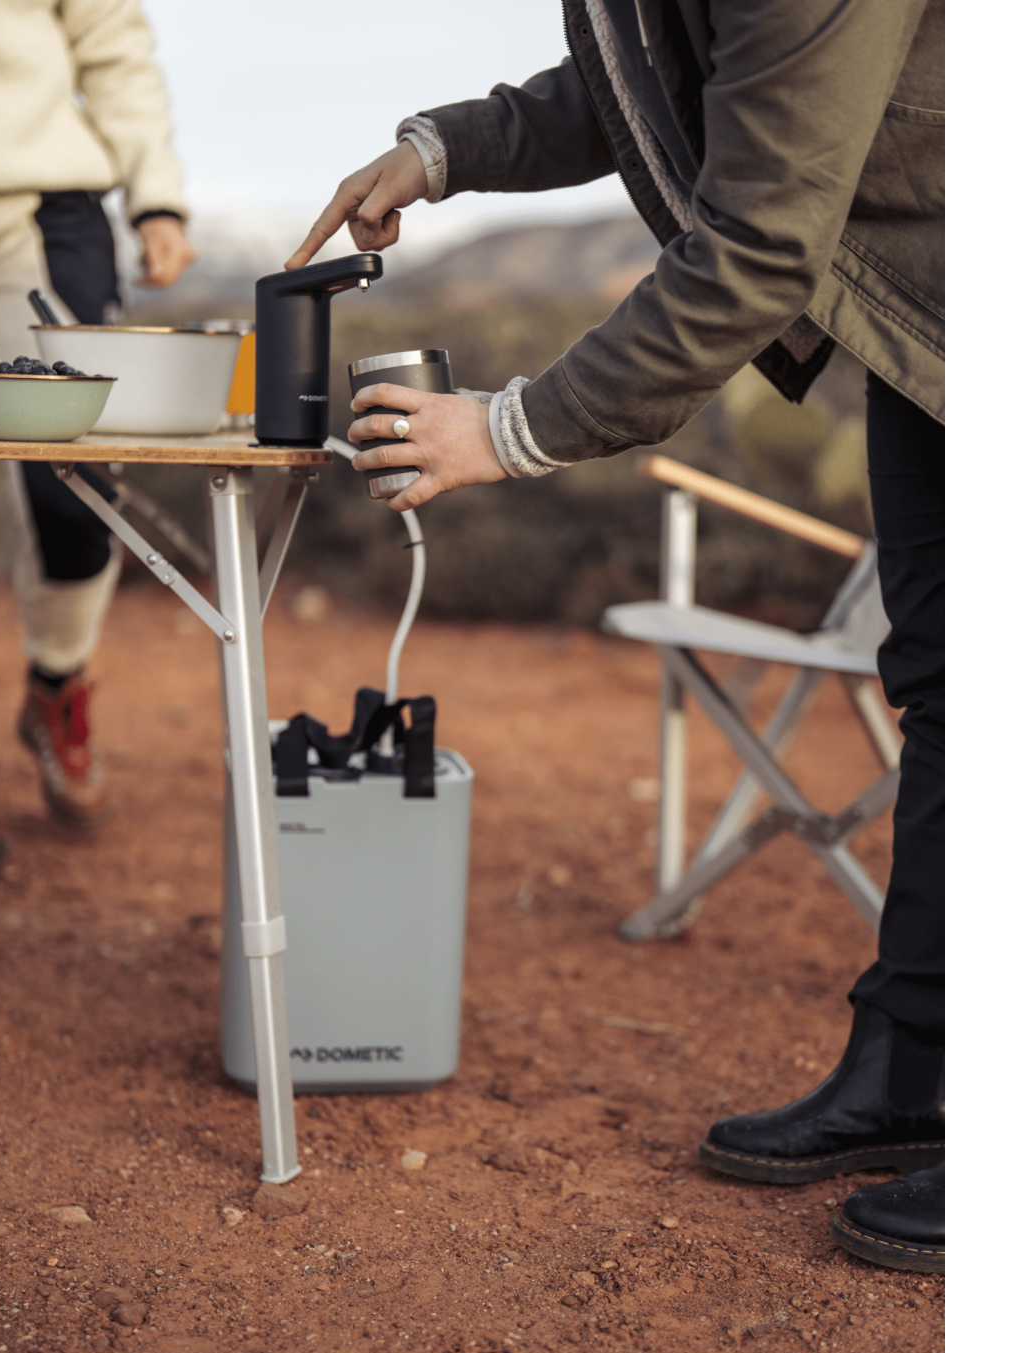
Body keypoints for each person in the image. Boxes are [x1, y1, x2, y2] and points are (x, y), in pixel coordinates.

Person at [287, 0, 944, 1273]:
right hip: (931, 317)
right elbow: (654, 76)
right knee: (945, 691)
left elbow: (757, 251)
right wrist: (444, 149)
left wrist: (509, 428)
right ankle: (915, 1065)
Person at [0, 0, 196, 825]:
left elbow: (112, 43)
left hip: (35, 211)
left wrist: (157, 197)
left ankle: (58, 679)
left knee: (72, 476)